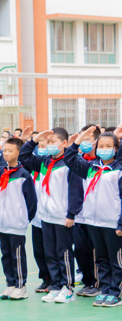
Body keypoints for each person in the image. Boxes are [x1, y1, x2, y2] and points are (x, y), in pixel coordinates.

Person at [65, 126, 122, 307]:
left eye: (109, 146)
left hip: (112, 222)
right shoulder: (91, 167)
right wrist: (79, 139)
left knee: (116, 259)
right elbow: (69, 158)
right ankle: (105, 290)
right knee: (101, 259)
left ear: (116, 149)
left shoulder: (119, 169)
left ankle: (116, 292)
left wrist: (121, 223)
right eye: (101, 146)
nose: (104, 149)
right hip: (93, 221)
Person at [19, 126, 76, 304]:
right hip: (46, 215)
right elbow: (24, 156)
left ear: (64, 143)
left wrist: (71, 214)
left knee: (63, 253)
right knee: (50, 253)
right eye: (47, 142)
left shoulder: (70, 163)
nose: (49, 145)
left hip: (62, 216)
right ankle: (56, 286)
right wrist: (34, 140)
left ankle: (68, 288)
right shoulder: (44, 162)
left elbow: (75, 191)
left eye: (53, 142)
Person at [0, 138, 37, 299]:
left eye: (10, 151)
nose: (6, 153)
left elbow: (31, 202)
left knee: (17, 255)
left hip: (16, 223)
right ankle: (10, 284)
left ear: (18, 152)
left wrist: (23, 218)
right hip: (0, 223)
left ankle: (20, 286)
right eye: (5, 150)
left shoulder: (24, 175)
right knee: (6, 255)